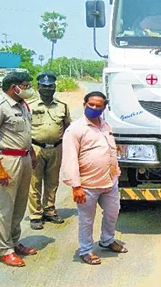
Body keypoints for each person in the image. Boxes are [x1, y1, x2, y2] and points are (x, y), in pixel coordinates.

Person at [61, 91, 129, 265]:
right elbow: (70, 159)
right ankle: (85, 250)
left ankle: (107, 240)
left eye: (99, 106)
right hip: (88, 185)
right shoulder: (75, 129)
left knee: (113, 212)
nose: (94, 108)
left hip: (109, 181)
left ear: (104, 108)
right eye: (91, 104)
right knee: (86, 219)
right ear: (84, 104)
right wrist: (76, 186)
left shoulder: (106, 126)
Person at [0, 71, 38, 267]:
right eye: (25, 84)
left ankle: (14, 241)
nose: (28, 88)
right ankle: (4, 250)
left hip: (23, 158)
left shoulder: (22, 105)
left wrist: (31, 153)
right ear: (14, 87)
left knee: (19, 205)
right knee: (4, 207)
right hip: (6, 160)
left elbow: (24, 133)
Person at [27, 72, 72, 230]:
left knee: (52, 182)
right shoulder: (29, 106)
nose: (47, 89)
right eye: (44, 86)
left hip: (56, 148)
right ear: (38, 87)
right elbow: (23, 129)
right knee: (35, 182)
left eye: (50, 86)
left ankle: (49, 210)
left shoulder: (62, 106)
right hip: (35, 147)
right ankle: (35, 215)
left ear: (55, 87)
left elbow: (67, 127)